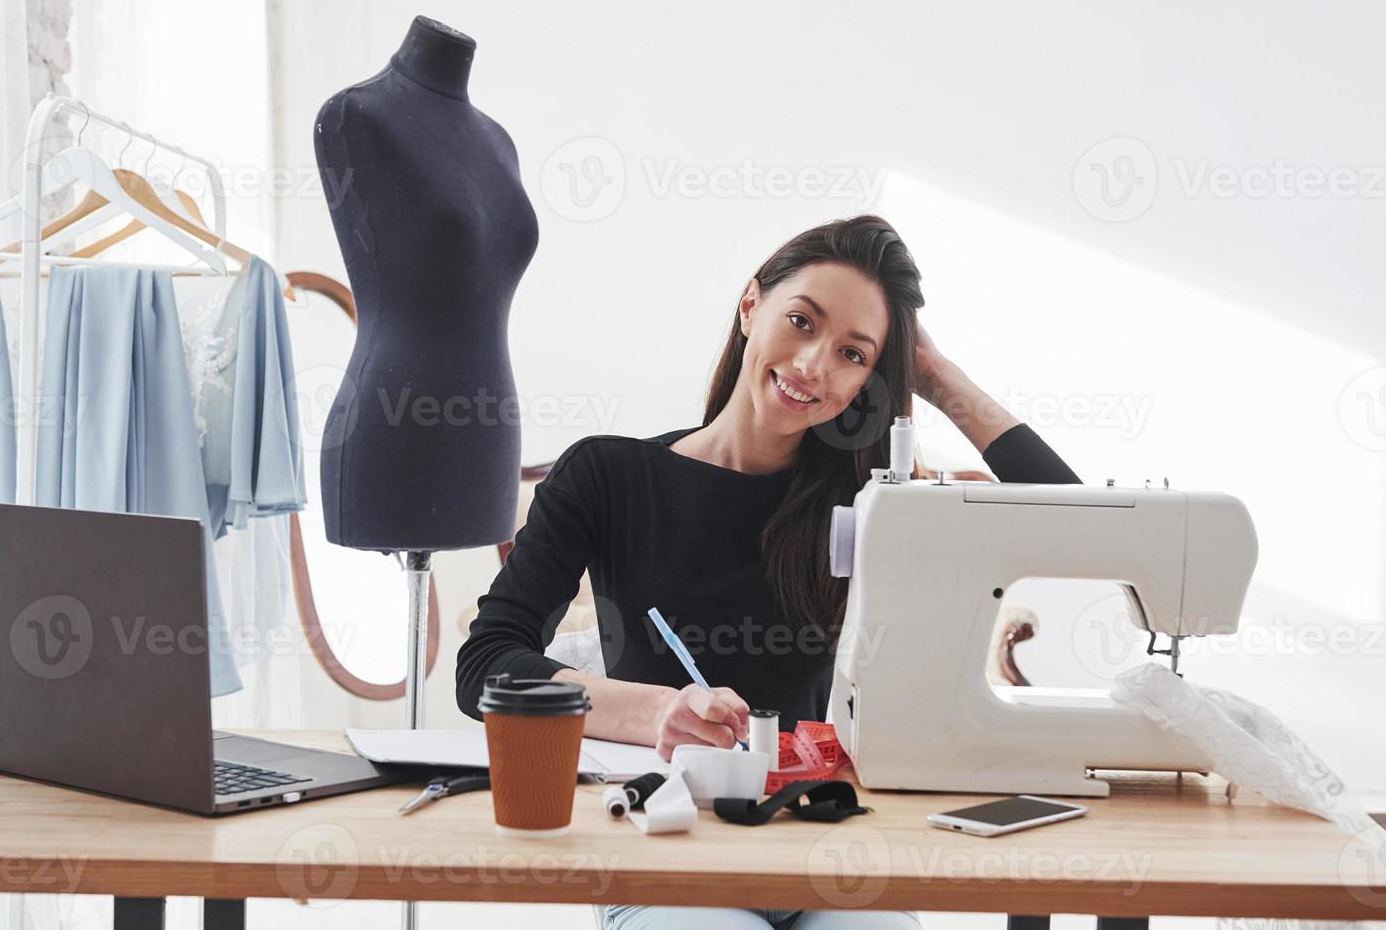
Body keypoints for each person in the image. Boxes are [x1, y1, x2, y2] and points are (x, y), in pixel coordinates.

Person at [456, 215, 1082, 929]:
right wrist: (658, 710)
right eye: (800, 320)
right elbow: (486, 667)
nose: (814, 365)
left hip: (830, 850)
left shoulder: (875, 502)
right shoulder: (607, 475)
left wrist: (936, 376)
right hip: (673, 855)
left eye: (852, 354)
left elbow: (1073, 529)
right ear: (750, 304)